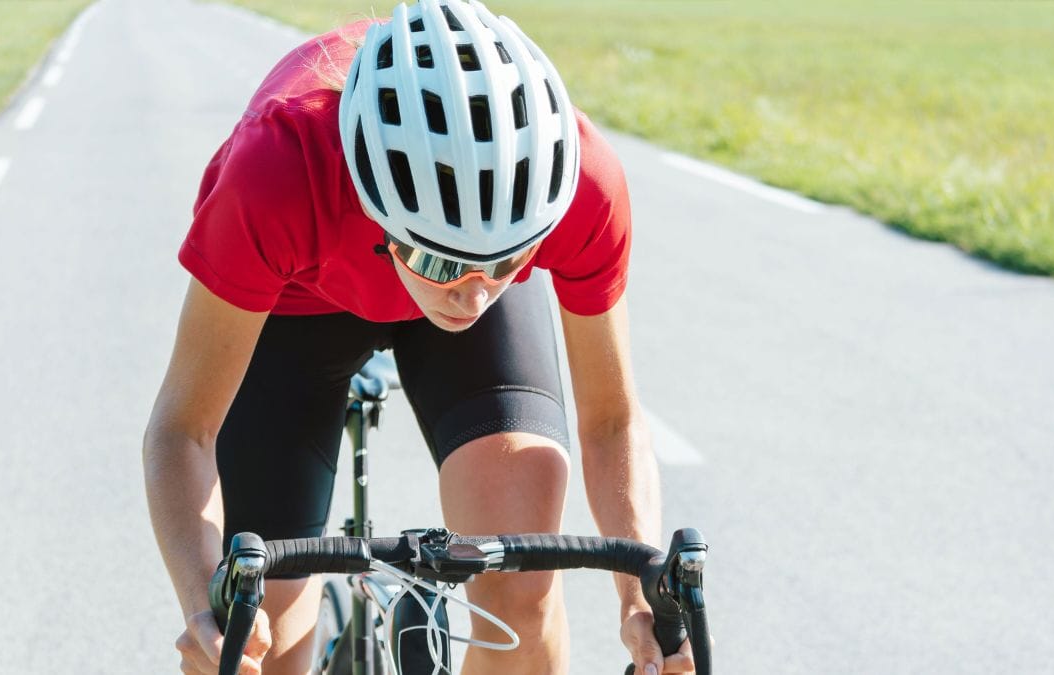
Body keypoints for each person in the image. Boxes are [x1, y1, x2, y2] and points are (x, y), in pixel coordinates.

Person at [143, 1, 693, 673]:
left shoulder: (581, 184)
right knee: (260, 639)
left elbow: (610, 421)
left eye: (509, 260)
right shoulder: (277, 172)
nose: (474, 294)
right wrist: (204, 605)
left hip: (453, 312)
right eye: (439, 259)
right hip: (298, 302)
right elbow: (183, 429)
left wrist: (639, 598)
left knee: (522, 590)